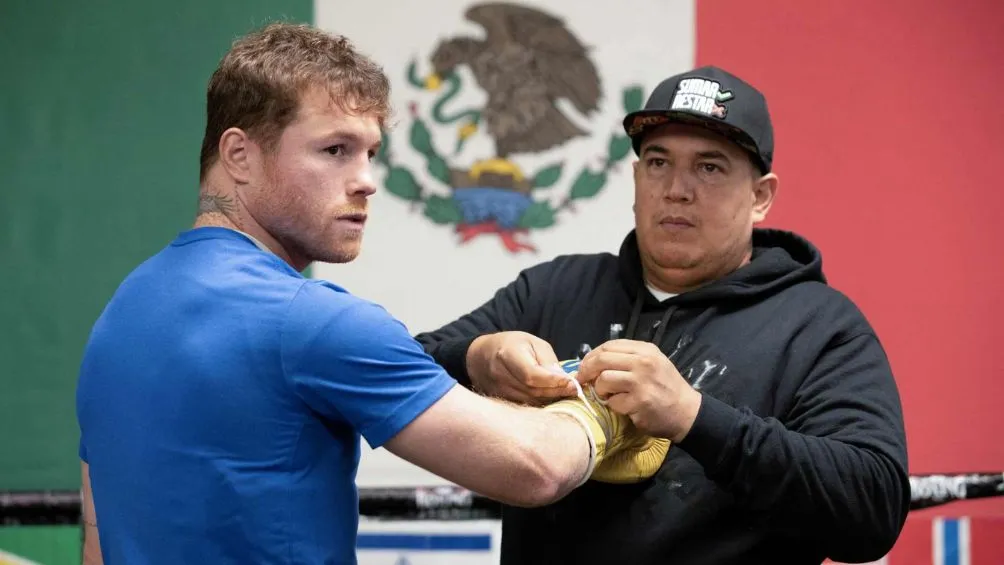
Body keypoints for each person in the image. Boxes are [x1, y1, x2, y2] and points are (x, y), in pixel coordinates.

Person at [74, 23, 670, 565]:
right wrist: (600, 412)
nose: (365, 181)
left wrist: (482, 358)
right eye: (334, 150)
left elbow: (97, 541)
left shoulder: (124, 309)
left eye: (371, 153)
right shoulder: (311, 320)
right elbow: (533, 467)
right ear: (239, 155)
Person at [415, 65, 911, 565]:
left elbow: (873, 509)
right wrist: (475, 358)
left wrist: (693, 417)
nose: (676, 188)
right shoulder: (554, 290)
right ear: (635, 177)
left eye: (709, 167)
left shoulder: (819, 325)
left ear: (760, 197)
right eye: (657, 162)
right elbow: (396, 371)